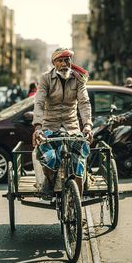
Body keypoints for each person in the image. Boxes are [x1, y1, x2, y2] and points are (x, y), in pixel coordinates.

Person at [32, 47, 93, 196]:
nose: (65, 63)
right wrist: (38, 127)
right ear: (54, 63)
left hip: (72, 127)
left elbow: (84, 103)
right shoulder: (46, 78)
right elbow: (39, 102)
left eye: (67, 60)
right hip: (49, 126)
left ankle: (79, 205)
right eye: (60, 60)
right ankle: (49, 179)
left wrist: (87, 125)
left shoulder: (78, 79)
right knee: (49, 158)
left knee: (79, 160)